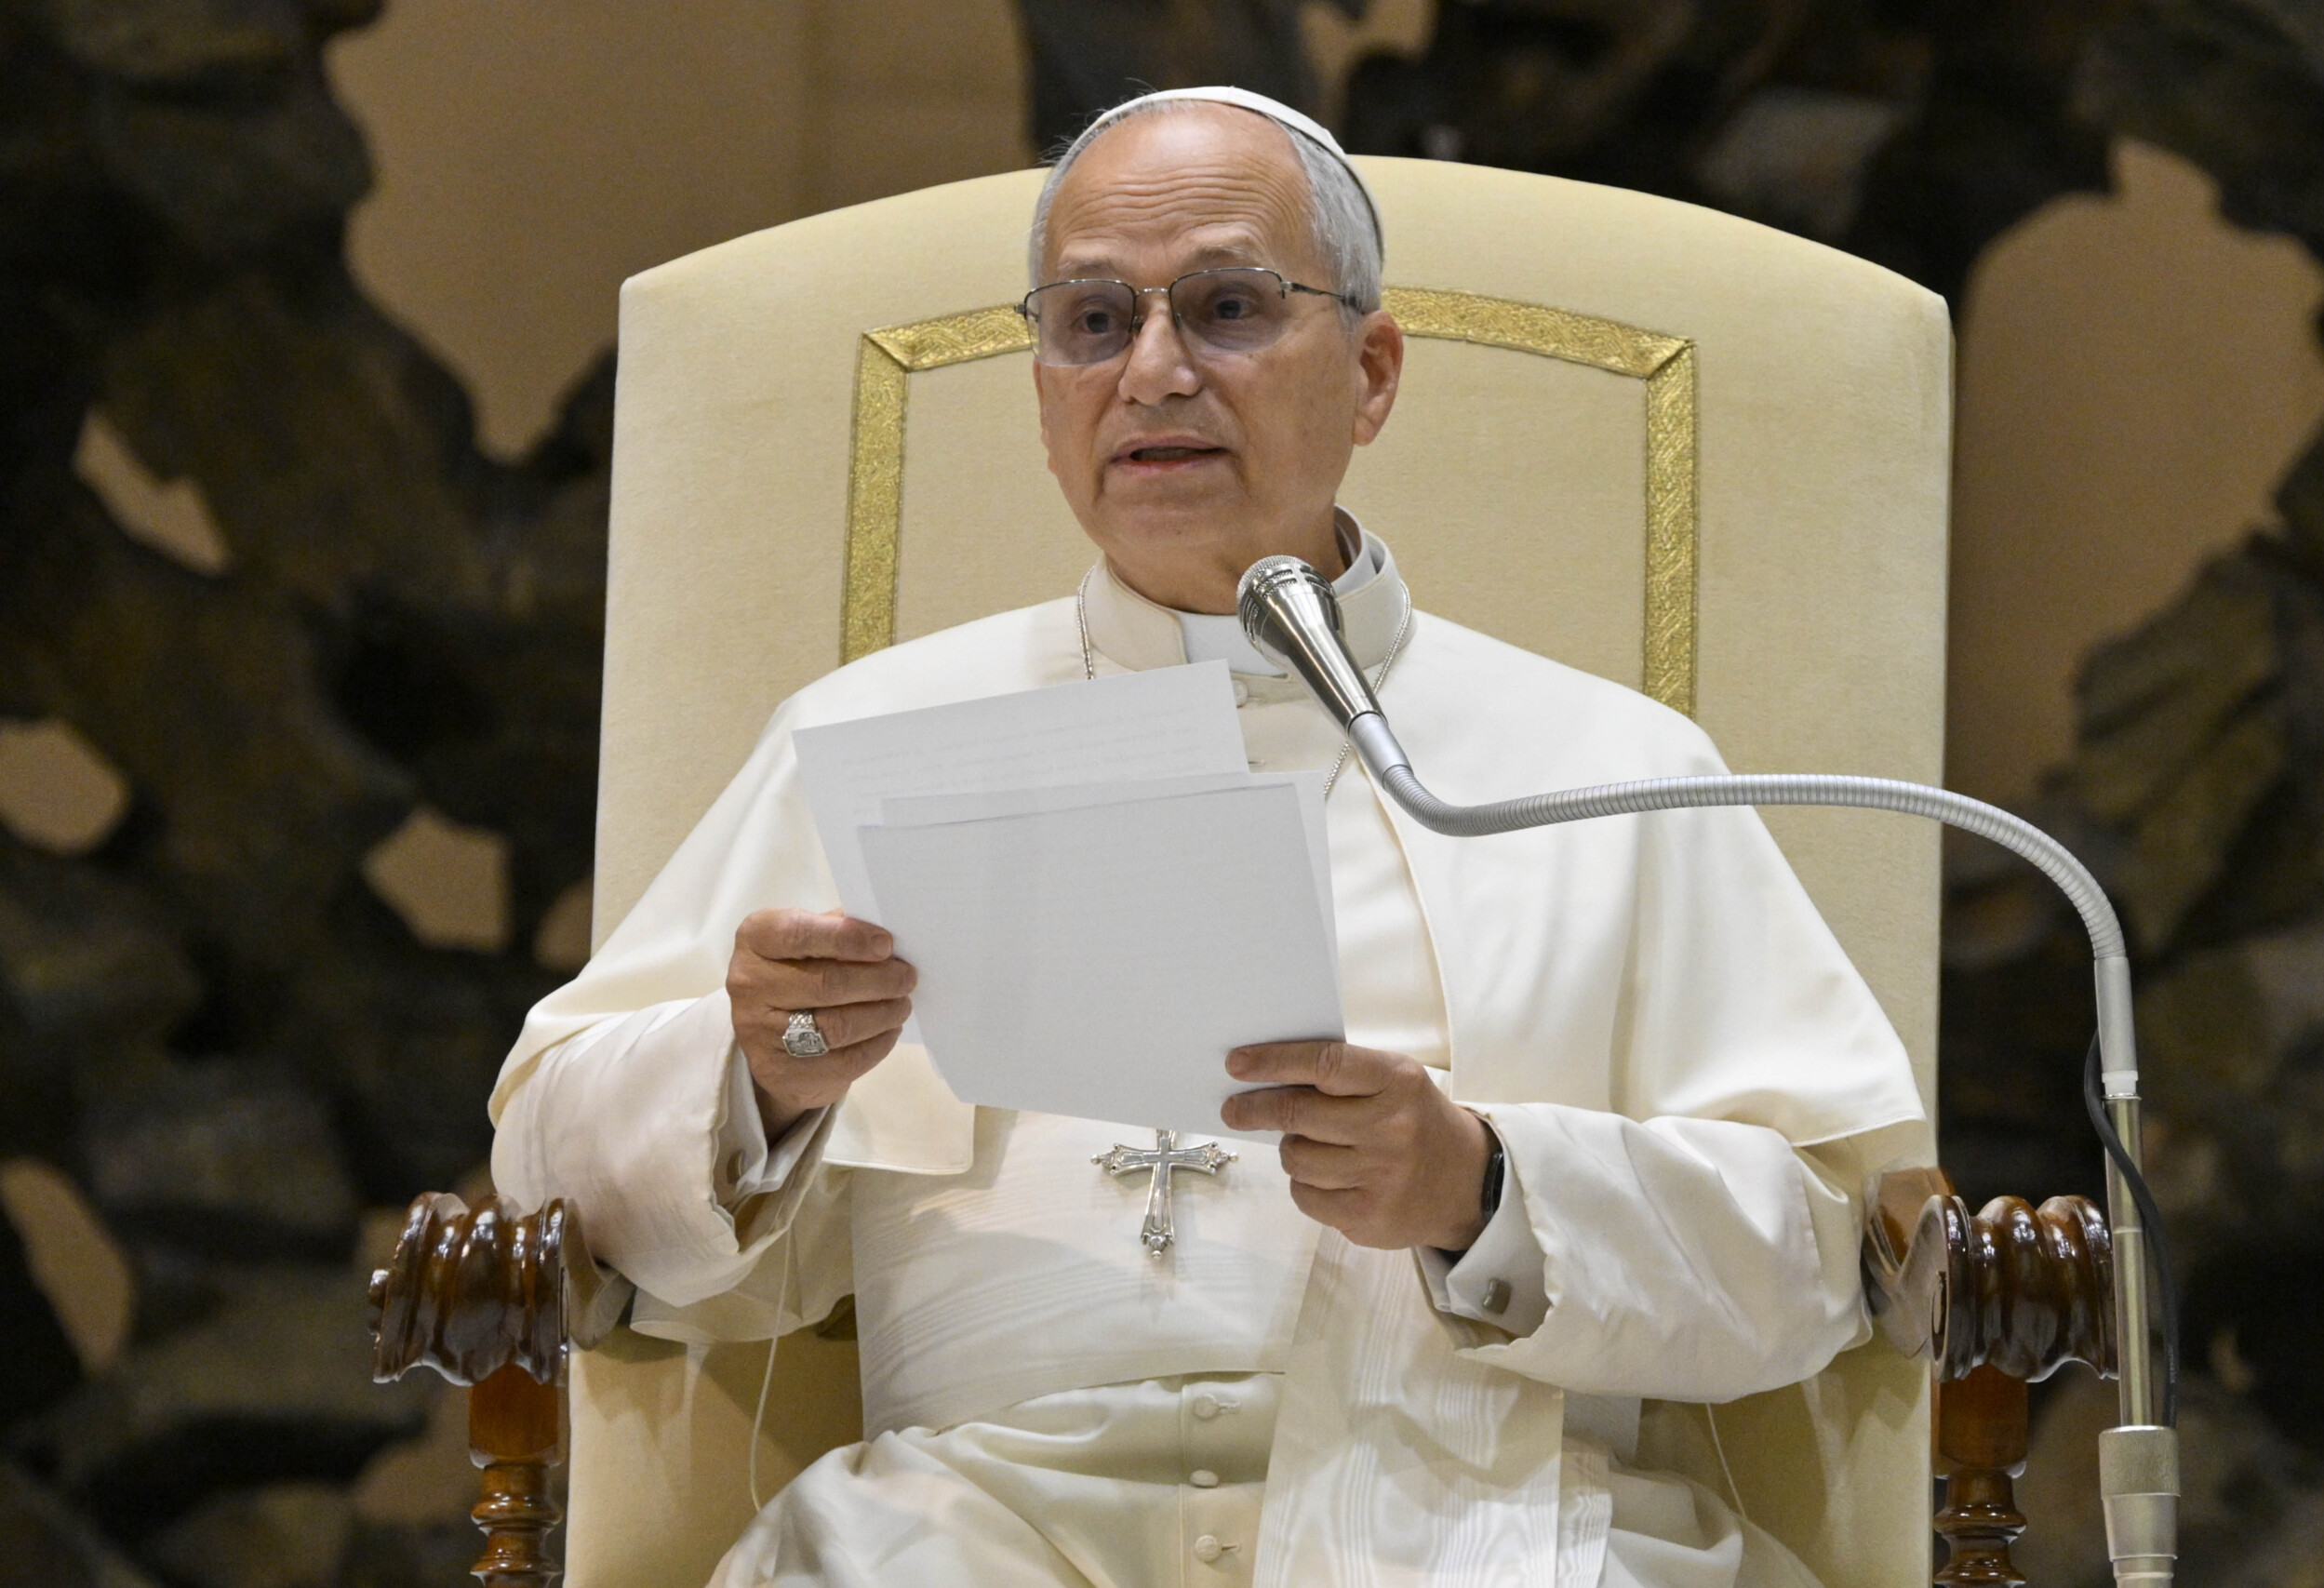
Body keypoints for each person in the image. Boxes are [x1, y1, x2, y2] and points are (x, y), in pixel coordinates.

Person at [491, 86, 1926, 1587]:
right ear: (1044, 388)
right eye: (1093, 321)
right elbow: (541, 1171)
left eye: (1228, 306)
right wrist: (752, 1078)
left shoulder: (1608, 766)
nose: (1154, 371)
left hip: (1479, 1530)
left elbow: (1824, 1251)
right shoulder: (871, 733)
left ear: (1371, 373)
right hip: (963, 1534)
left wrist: (1484, 1186)